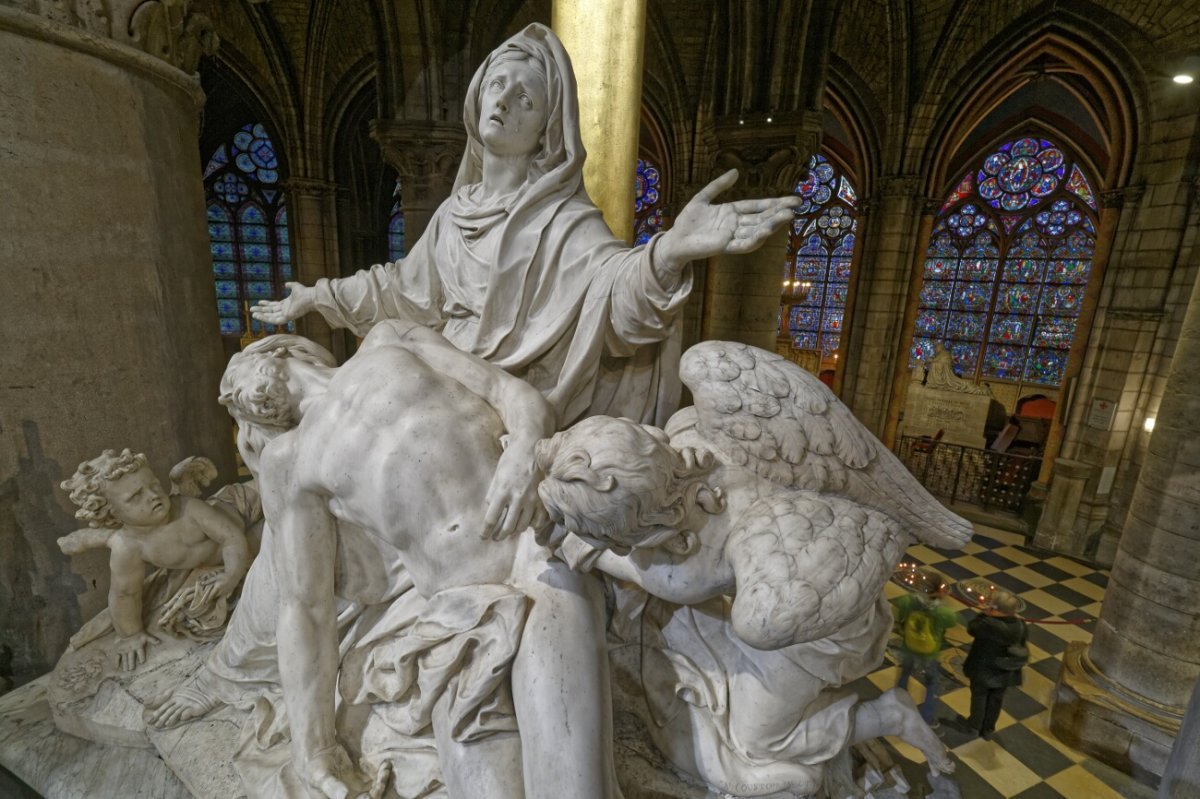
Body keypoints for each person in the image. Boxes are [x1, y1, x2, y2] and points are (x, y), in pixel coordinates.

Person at [251, 22, 800, 430]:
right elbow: (401, 289)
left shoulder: (564, 222)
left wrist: (669, 252)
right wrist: (316, 296)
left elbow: (615, 299)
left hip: (515, 391)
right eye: (498, 84)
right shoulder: (453, 213)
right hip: (450, 370)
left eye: (527, 98)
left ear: (545, 131)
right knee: (371, 376)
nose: (506, 101)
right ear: (476, 97)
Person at [536, 415, 957, 794]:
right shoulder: (693, 429)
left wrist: (568, 540)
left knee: (760, 741)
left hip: (817, 632)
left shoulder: (683, 574)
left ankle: (890, 717)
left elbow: (605, 556)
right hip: (802, 568)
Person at [59, 450, 251, 670]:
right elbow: (125, 594)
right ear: (112, 513)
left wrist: (232, 574)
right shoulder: (128, 547)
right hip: (205, 560)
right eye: (135, 496)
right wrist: (130, 635)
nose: (153, 495)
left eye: (154, 485)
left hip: (243, 509)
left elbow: (231, 537)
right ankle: (95, 538)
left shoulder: (188, 507)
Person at [958, 588, 1028, 740]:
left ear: (996, 609)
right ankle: (988, 729)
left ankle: (974, 726)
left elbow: (972, 628)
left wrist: (984, 613)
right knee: (996, 699)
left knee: (979, 697)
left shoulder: (988, 624)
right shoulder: (1021, 625)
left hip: (983, 669)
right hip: (1004, 672)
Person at [892, 568, 958, 726]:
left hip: (908, 646)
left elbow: (899, 616)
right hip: (929, 653)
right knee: (932, 682)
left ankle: (896, 705)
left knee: (904, 674)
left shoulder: (907, 601)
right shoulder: (943, 611)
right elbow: (952, 621)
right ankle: (928, 717)